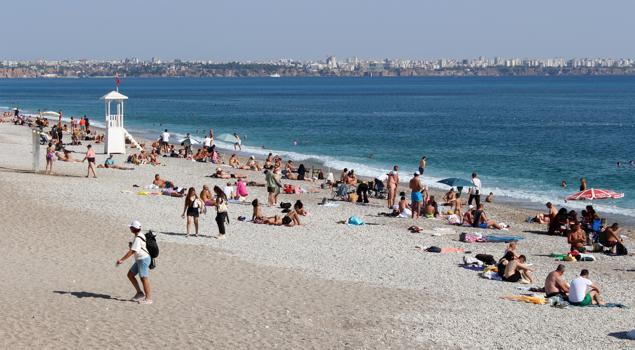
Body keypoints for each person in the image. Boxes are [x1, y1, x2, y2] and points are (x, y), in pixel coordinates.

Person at [115, 220, 153, 304]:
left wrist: (122, 260)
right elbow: (137, 248)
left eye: (131, 227)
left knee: (144, 278)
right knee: (130, 275)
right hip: (140, 259)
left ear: (134, 228)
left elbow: (132, 251)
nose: (130, 228)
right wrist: (132, 246)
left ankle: (149, 299)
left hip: (143, 259)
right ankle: (140, 293)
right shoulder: (139, 235)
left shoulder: (137, 238)